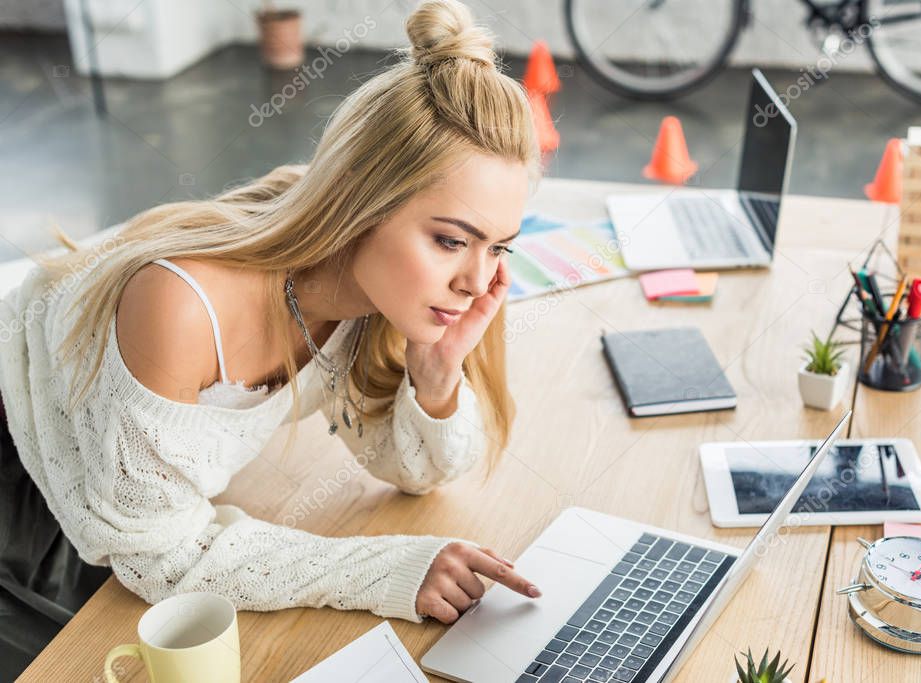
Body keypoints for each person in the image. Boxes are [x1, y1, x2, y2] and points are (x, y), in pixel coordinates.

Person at [0, 0, 541, 676]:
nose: (474, 279)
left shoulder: (371, 297)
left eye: (498, 248)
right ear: (357, 199)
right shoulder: (178, 305)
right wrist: (388, 568)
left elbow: (409, 472)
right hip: (19, 475)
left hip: (110, 501)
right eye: (451, 240)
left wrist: (433, 376)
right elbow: (161, 556)